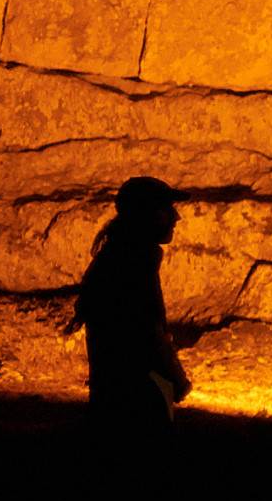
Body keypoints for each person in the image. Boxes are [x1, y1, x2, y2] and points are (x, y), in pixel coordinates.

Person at [73, 175, 191, 432]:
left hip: (118, 400)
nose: (176, 217)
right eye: (166, 209)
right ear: (146, 214)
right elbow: (146, 331)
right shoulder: (133, 265)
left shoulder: (119, 258)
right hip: (136, 402)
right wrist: (175, 377)